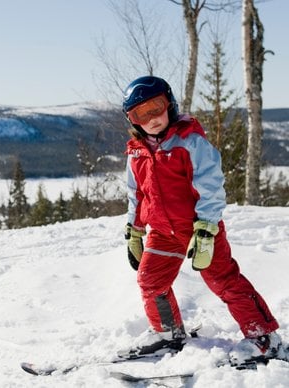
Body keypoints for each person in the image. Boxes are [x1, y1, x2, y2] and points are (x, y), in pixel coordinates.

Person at [119, 75, 282, 364]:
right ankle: (168, 333)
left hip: (198, 229)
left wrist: (206, 229)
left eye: (156, 107)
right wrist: (134, 229)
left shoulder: (190, 142)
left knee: (224, 281)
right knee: (150, 280)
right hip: (161, 231)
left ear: (169, 104)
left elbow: (211, 187)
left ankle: (264, 338)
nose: (152, 118)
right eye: (141, 114)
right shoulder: (136, 154)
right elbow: (137, 194)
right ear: (133, 119)